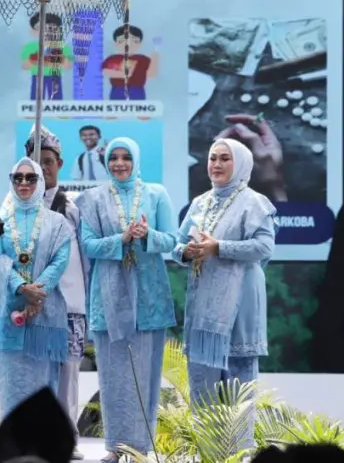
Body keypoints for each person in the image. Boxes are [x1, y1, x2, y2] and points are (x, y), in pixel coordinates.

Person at [75, 137, 177, 463]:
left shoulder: (156, 194)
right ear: (106, 162)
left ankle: (141, 447)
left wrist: (148, 236)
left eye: (126, 157)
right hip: (109, 296)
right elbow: (88, 245)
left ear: (135, 159)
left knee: (145, 373)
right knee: (112, 374)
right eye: (114, 158)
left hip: (149, 296)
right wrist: (121, 239)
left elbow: (172, 241)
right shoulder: (92, 198)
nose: (120, 163)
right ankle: (116, 446)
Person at [172, 138, 276, 451]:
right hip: (203, 308)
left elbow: (264, 247)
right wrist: (187, 251)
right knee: (202, 383)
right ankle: (208, 452)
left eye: (224, 159)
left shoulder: (255, 203)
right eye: (212, 158)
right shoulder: (200, 202)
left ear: (241, 164)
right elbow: (176, 246)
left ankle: (238, 454)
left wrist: (218, 247)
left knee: (238, 385)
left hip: (239, 306)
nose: (216, 165)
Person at [0, 157, 73, 418]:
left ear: (40, 181)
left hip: (45, 311)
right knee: (10, 381)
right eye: (18, 178)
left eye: (30, 178)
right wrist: (22, 287)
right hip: (8, 311)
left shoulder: (57, 222)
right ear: (11, 182)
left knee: (43, 382)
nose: (24, 183)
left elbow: (60, 260)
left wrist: (37, 295)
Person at [24, 125, 89, 461]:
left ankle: (67, 439)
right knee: (35, 371)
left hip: (69, 301)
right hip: (34, 301)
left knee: (67, 374)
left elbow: (86, 257)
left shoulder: (74, 207)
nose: (42, 168)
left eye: (47, 161)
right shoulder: (17, 205)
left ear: (59, 163)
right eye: (36, 161)